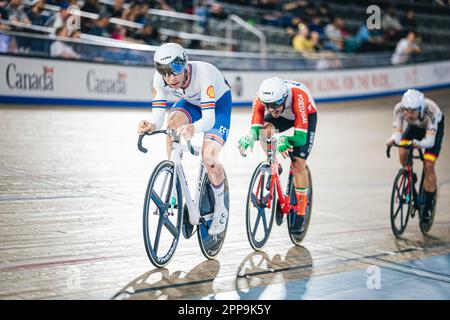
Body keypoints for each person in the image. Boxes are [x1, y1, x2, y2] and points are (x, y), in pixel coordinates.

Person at [138, 43, 232, 236]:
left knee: (209, 158)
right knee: (171, 128)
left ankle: (221, 209)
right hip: (191, 103)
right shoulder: (161, 79)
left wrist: (193, 128)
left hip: (217, 106)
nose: (170, 78)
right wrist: (152, 125)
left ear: (185, 64)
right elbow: (158, 116)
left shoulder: (204, 73)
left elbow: (208, 119)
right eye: (164, 72)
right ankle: (174, 188)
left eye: (175, 71)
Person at [238, 77, 318, 233]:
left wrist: (284, 139)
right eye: (268, 106)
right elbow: (255, 129)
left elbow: (300, 137)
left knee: (298, 162)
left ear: (285, 98)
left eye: (275, 105)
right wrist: (249, 137)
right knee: (263, 132)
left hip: (305, 116)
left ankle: (301, 213)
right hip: (285, 117)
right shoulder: (262, 99)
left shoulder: (298, 96)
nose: (272, 110)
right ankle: (275, 166)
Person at [386, 89, 445, 222]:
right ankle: (410, 175)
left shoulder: (432, 112)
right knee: (402, 150)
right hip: (415, 128)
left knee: (428, 165)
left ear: (421, 108)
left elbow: (429, 142)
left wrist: (419, 143)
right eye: (406, 110)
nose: (409, 114)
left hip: (433, 129)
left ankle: (428, 205)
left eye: (413, 111)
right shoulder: (399, 109)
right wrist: (393, 140)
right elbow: (397, 133)